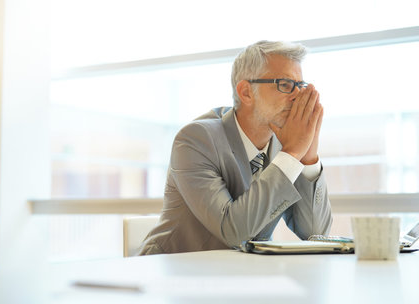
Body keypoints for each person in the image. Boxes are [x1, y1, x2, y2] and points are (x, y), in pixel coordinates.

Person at [138, 40, 332, 255]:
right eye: (285, 85)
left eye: (300, 86)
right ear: (246, 92)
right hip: (172, 272)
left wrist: (308, 156)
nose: (298, 96)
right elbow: (234, 233)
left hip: (242, 276)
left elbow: (316, 233)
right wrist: (293, 153)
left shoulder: (284, 147)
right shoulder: (195, 140)